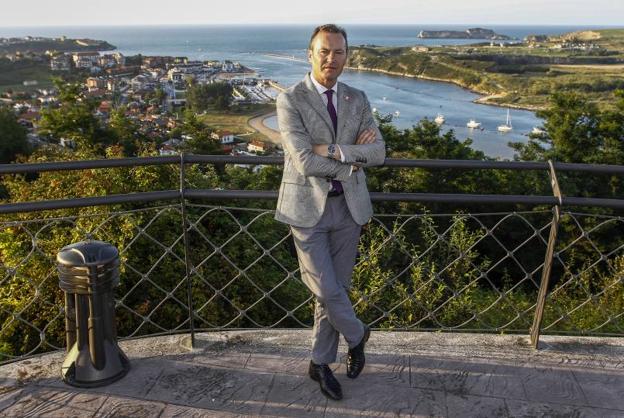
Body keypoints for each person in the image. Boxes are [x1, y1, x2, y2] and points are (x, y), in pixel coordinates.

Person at [274, 24, 386, 401]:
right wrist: (353, 158)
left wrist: (336, 152)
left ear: (346, 57)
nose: (331, 59)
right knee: (324, 286)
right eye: (324, 51)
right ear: (310, 54)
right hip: (307, 211)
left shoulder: (358, 97)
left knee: (336, 290)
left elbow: (379, 153)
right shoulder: (290, 100)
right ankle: (358, 335)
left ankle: (320, 363)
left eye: (338, 52)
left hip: (349, 209)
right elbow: (304, 161)